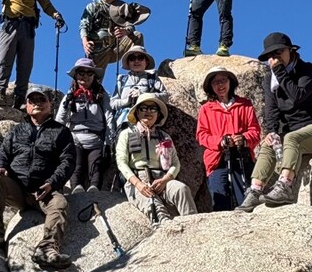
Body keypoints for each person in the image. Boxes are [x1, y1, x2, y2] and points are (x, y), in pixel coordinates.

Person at [0, 87, 77, 268]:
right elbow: (2, 153)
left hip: (44, 190)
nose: (37, 103)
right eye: (32, 101)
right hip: (17, 188)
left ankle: (47, 248)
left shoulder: (61, 131)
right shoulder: (17, 130)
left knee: (60, 204)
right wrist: (0, 167)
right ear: (27, 107)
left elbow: (68, 161)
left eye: (41, 100)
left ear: (50, 105)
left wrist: (52, 182)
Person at [238, 33, 312, 211]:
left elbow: (297, 96)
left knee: (292, 138)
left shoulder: (306, 70)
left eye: (279, 52)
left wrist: (279, 72)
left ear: (290, 50)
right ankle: (255, 190)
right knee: (268, 144)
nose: (275, 58)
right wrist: (271, 132)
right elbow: (271, 109)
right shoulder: (270, 79)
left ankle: (285, 186)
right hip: (294, 131)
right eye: (271, 55)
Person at [115, 94, 197, 223]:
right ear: (137, 112)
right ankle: (165, 230)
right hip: (138, 179)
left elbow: (175, 163)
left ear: (158, 114)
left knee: (182, 190)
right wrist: (138, 184)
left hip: (162, 179)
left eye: (153, 109)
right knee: (155, 208)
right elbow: (121, 162)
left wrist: (165, 180)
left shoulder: (164, 137)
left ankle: (193, 226)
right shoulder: (126, 134)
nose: (148, 112)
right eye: (143, 108)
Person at [195, 66, 260, 210]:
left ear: (230, 82)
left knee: (246, 201)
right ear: (211, 87)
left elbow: (255, 131)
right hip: (217, 160)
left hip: (242, 157)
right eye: (215, 82)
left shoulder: (244, 104)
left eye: (223, 80)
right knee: (220, 202)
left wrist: (243, 138)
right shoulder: (206, 109)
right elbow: (202, 135)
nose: (220, 85)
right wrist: (220, 141)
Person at [56, 58, 111, 193]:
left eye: (89, 73)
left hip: (97, 140)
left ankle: (94, 189)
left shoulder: (101, 96)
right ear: (76, 75)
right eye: (81, 73)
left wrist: (109, 143)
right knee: (76, 164)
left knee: (96, 167)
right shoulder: (69, 96)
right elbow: (60, 120)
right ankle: (76, 188)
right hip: (75, 139)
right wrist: (67, 105)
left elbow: (109, 118)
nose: (85, 76)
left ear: (94, 76)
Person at [79, 0, 151, 72]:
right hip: (98, 50)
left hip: (115, 48)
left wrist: (125, 31)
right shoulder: (93, 7)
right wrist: (85, 42)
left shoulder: (122, 7)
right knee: (93, 77)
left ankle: (138, 71)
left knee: (137, 35)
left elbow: (130, 25)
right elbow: (84, 25)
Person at [109, 45, 166, 132]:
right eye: (132, 58)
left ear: (146, 62)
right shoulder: (122, 80)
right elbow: (112, 103)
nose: (136, 61)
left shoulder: (153, 79)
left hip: (146, 120)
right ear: (128, 62)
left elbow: (165, 96)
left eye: (140, 58)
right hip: (123, 122)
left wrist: (144, 96)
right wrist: (126, 101)